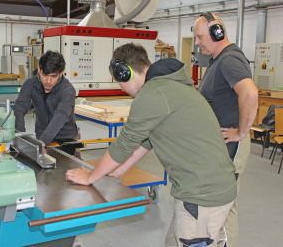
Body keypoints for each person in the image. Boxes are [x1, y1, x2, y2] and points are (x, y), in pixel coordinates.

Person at [66, 43, 237, 247]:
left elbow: (125, 143)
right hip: (207, 187)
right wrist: (120, 170)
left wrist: (91, 177)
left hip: (202, 195)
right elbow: (147, 140)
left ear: (125, 72)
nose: (120, 87)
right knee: (173, 242)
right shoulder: (168, 86)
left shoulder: (153, 93)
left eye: (118, 80)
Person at [194, 12, 258, 247]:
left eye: (200, 37)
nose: (198, 43)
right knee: (221, 207)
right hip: (218, 148)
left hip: (229, 148)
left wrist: (240, 132)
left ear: (217, 33)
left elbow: (250, 93)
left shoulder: (230, 59)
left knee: (224, 208)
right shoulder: (217, 61)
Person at [14, 50, 79, 155]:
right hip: (41, 136)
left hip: (66, 139)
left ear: (61, 72)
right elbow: (20, 107)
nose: (48, 81)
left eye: (53, 76)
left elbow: (60, 116)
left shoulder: (67, 90)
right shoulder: (30, 84)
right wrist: (20, 135)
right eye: (44, 75)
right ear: (39, 68)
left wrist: (43, 141)